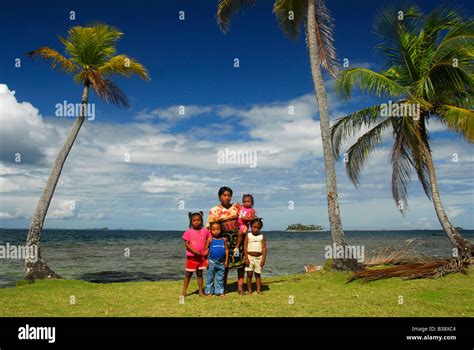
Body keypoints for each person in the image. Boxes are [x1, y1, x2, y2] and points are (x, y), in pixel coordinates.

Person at [207, 186, 246, 294]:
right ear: (220, 197)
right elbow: (210, 228)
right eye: (225, 195)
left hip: (237, 239)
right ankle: (222, 287)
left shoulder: (236, 207)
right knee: (225, 264)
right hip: (223, 239)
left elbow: (245, 217)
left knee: (240, 263)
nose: (227, 198)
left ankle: (240, 287)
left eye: (229, 195)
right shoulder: (214, 210)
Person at [181, 211, 210, 298]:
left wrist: (207, 250)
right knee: (188, 274)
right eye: (194, 220)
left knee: (200, 274)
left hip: (201, 257)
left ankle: (201, 291)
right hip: (192, 257)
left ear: (201, 221)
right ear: (191, 222)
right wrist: (194, 251)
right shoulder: (188, 232)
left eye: (198, 220)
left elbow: (209, 240)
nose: (196, 222)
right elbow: (187, 244)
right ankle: (184, 292)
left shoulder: (205, 231)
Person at [205, 222, 229, 297]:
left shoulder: (223, 240)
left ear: (221, 230)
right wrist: (206, 260)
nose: (216, 231)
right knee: (210, 277)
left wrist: (226, 260)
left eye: (218, 229)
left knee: (220, 277)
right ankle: (209, 292)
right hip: (211, 262)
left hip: (221, 262)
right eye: (214, 229)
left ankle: (220, 291)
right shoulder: (210, 240)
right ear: (210, 230)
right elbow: (206, 250)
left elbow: (226, 250)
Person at [244, 217, 266, 295]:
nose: (256, 229)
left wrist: (263, 259)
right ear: (251, 226)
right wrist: (246, 257)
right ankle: (249, 290)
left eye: (258, 228)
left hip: (259, 258)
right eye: (254, 227)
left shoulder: (261, 236)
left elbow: (264, 248)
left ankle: (258, 290)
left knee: (257, 274)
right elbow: (245, 247)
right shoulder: (248, 235)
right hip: (250, 257)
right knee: (249, 274)